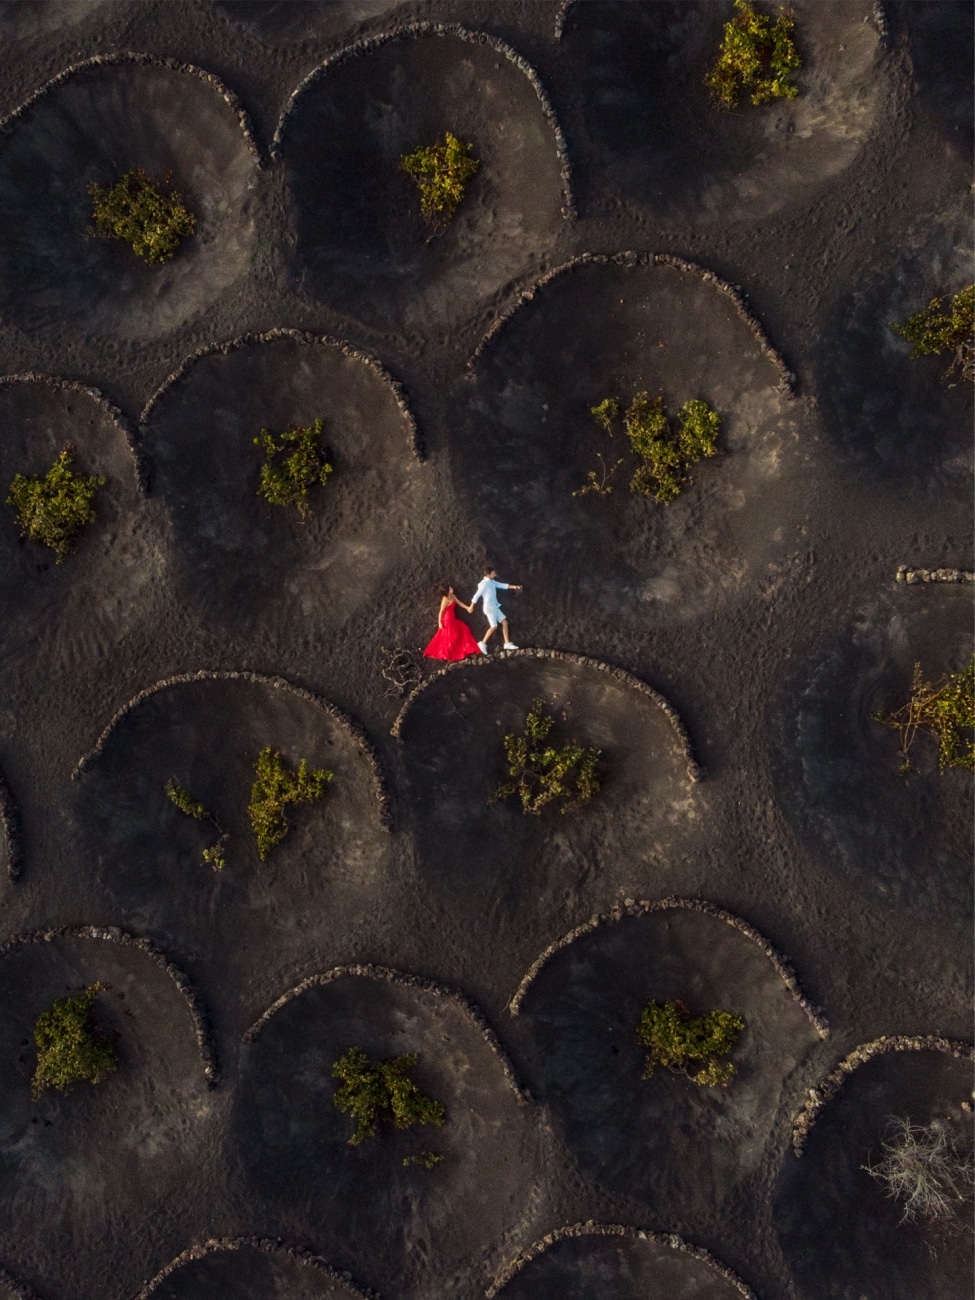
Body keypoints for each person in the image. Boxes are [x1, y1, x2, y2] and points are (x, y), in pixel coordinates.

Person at [423, 585, 483, 661]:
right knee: (452, 637)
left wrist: (467, 608)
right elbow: (441, 611)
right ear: (447, 591)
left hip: (452, 619)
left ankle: (456, 651)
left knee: (464, 630)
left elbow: (459, 603)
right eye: (450, 588)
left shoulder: (452, 596)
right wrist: (439, 622)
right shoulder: (445, 599)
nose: (452, 588)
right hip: (447, 620)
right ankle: (449, 654)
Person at [471, 566, 522, 653]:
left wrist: (515, 587)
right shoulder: (484, 584)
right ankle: (482, 643)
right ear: (488, 574)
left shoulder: (492, 582)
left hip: (494, 606)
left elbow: (502, 585)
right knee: (494, 626)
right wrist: (471, 606)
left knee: (505, 622)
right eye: (493, 574)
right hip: (489, 608)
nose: (495, 575)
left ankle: (507, 643)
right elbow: (477, 595)